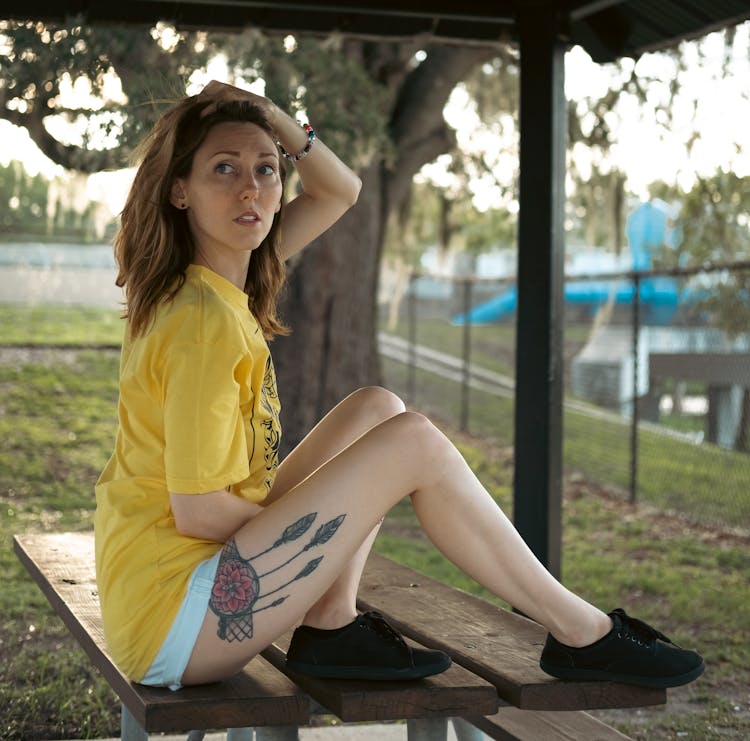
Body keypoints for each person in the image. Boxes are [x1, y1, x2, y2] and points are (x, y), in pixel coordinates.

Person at [94, 80, 705, 692]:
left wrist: (272, 116)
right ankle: (582, 633)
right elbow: (199, 512)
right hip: (177, 619)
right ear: (180, 190)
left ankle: (331, 624)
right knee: (412, 442)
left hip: (176, 594)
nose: (251, 187)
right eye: (223, 169)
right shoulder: (204, 323)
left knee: (378, 410)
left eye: (267, 169)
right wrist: (337, 514)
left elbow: (342, 190)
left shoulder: (232, 277)